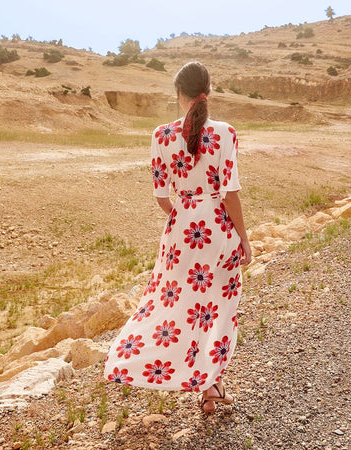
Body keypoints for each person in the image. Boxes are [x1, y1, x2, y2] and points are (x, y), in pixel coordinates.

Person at [104, 61, 252, 414]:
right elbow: (230, 193)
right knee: (216, 309)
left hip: (180, 232)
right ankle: (211, 386)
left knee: (174, 307)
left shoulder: (160, 135)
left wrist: (185, 216)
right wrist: (244, 237)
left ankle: (149, 363)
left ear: (178, 93)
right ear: (208, 92)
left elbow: (160, 197)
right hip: (218, 231)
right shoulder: (226, 133)